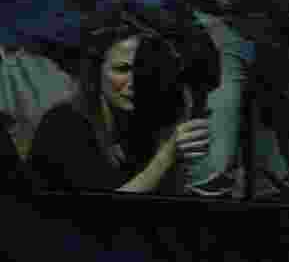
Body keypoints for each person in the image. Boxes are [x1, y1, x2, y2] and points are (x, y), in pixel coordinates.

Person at [29, 25, 210, 193]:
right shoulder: (64, 125)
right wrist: (166, 157)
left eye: (143, 69)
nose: (135, 81)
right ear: (96, 73)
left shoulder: (139, 123)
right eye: (122, 69)